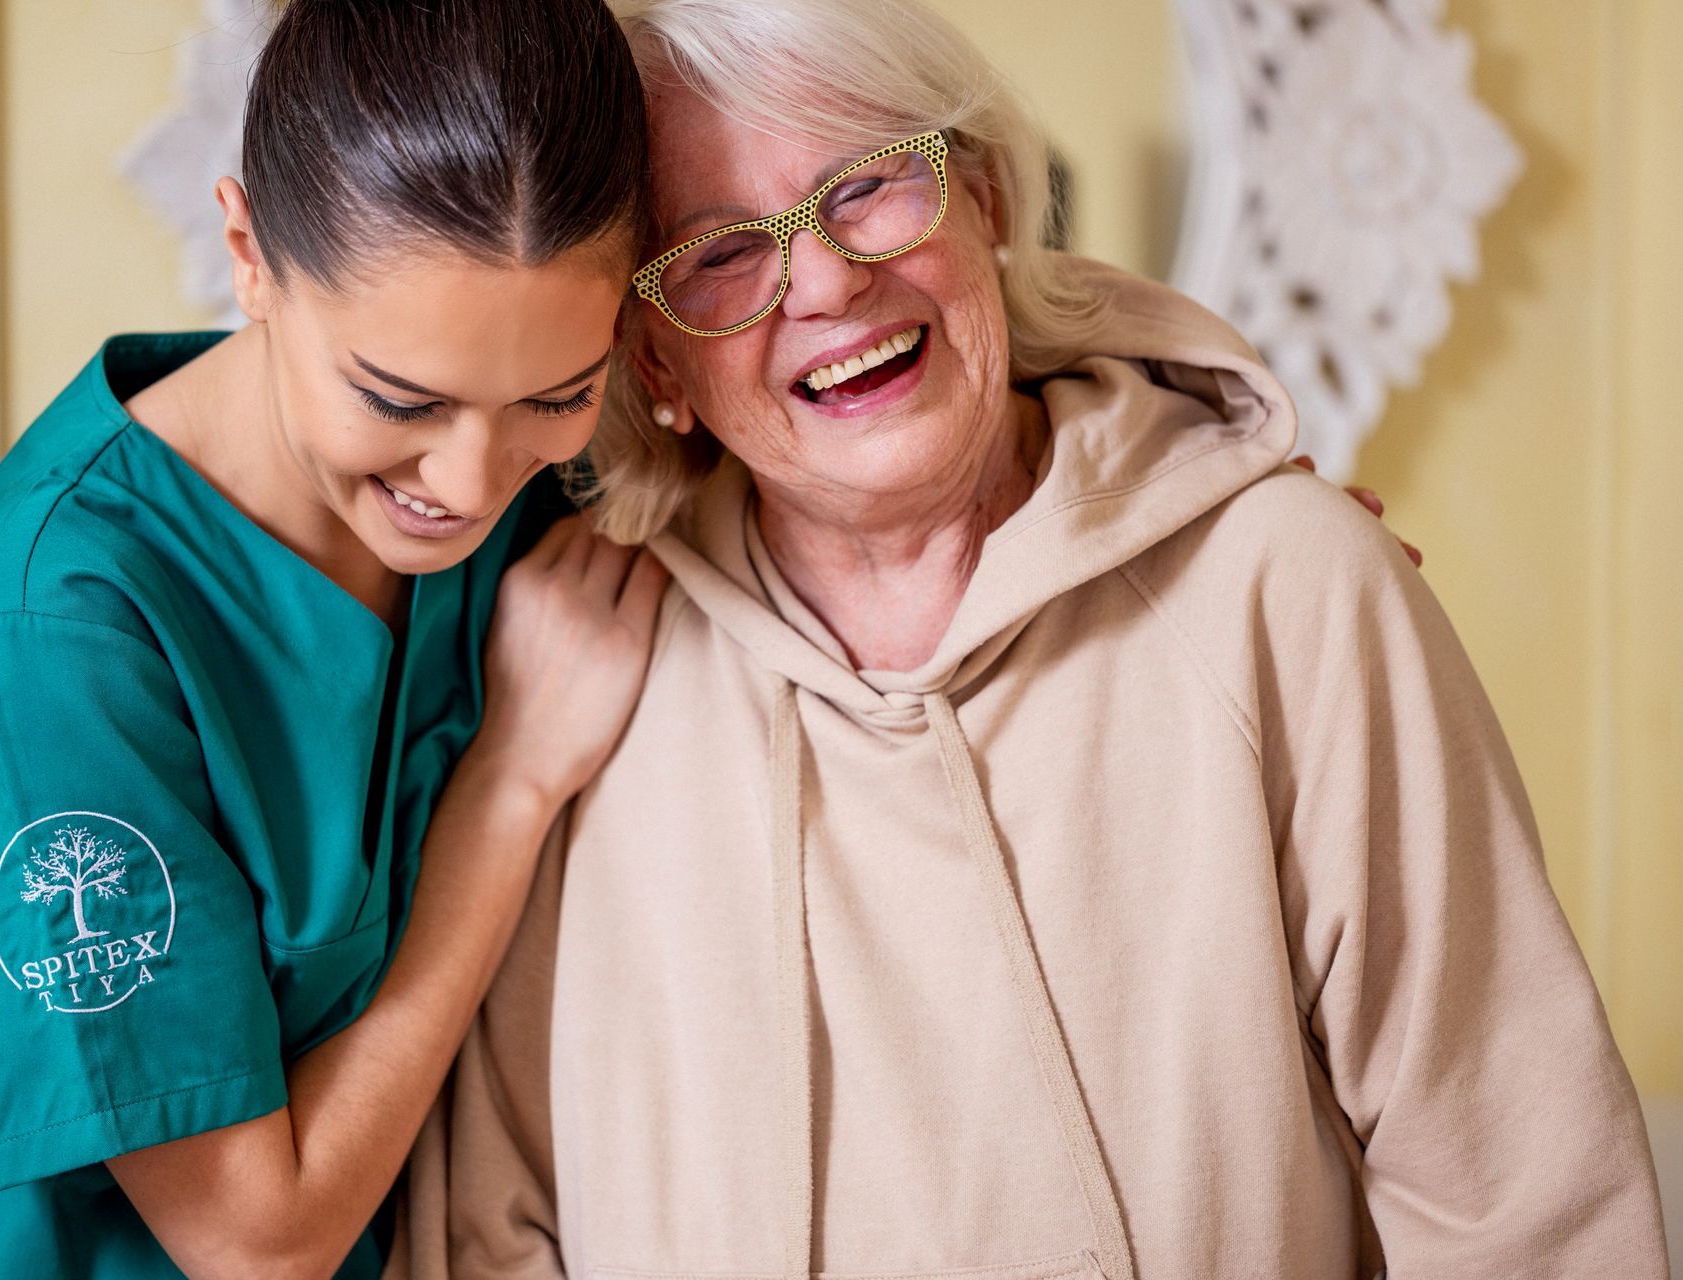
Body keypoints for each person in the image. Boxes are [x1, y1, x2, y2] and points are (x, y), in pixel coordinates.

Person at [402, 0, 1669, 1275]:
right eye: (723, 253)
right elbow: (490, 1228)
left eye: (873, 181)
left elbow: (1523, 1207)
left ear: (989, 197)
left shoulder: (1284, 591)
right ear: (657, 365)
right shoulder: (579, 676)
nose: (831, 279)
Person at [0, 2, 669, 1276]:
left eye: (555, 393)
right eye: (398, 397)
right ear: (248, 249)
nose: (472, 478)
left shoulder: (534, 497)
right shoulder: (47, 641)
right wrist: (513, 783)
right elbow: (254, 1240)